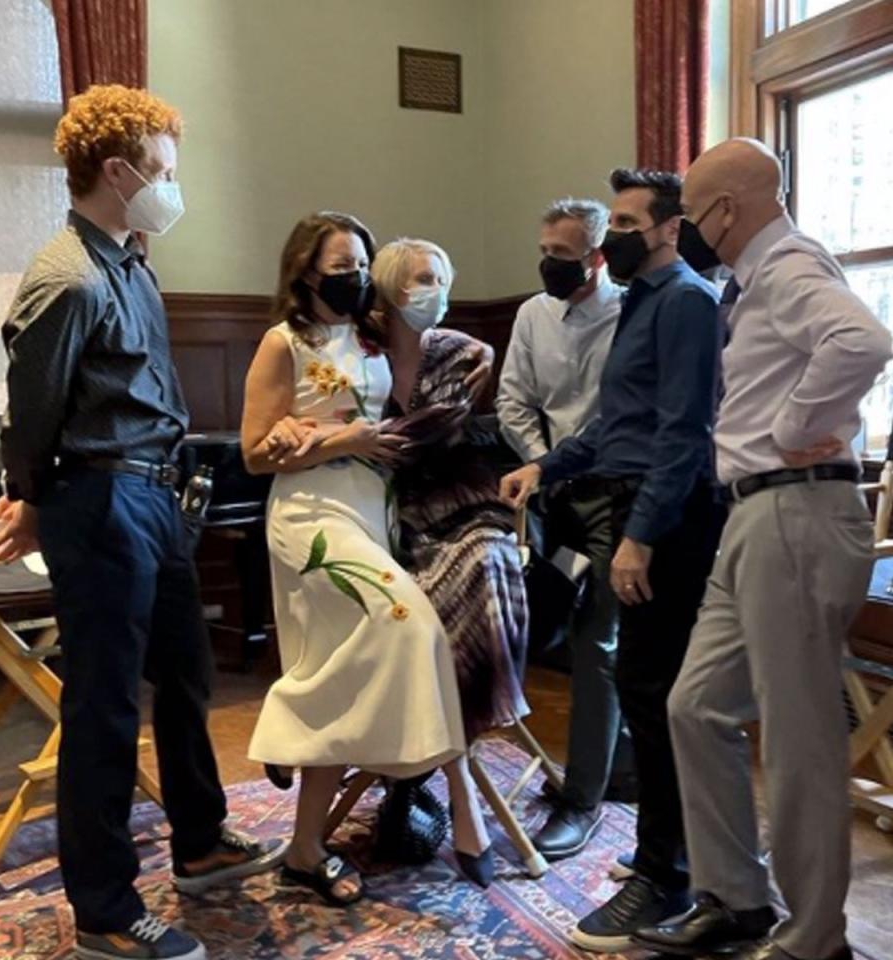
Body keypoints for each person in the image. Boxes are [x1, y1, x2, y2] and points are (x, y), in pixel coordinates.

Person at [0, 84, 283, 960]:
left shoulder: (128, 259)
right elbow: (32, 411)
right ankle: (106, 910)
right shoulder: (66, 278)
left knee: (185, 678)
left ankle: (197, 841)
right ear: (115, 172)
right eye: (161, 171)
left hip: (152, 497)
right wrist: (30, 500)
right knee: (107, 708)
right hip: (101, 501)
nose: (171, 186)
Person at [633, 139, 893, 960]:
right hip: (753, 515)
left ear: (727, 211)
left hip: (794, 515)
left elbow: (863, 342)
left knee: (798, 738)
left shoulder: (786, 266)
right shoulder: (755, 281)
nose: (688, 232)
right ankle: (737, 899)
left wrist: (791, 430)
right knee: (695, 705)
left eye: (692, 215)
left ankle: (815, 940)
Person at [241, 212, 497, 900]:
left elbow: (436, 360)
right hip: (312, 518)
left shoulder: (372, 337)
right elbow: (255, 452)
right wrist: (338, 440)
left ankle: (302, 845)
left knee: (343, 670)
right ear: (305, 272)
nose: (354, 277)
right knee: (410, 625)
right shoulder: (283, 342)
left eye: (362, 263)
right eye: (339, 266)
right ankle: (463, 793)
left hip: (372, 514)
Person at [500, 168, 723, 951]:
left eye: (628, 222)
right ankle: (665, 857)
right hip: (632, 499)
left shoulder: (689, 301)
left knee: (654, 692)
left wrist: (640, 535)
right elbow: (615, 424)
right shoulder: (644, 303)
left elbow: (682, 434)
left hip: (667, 517)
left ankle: (668, 879)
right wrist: (547, 466)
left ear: (666, 228)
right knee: (646, 690)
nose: (618, 235)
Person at [496, 198, 638, 863]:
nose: (550, 264)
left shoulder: (633, 312)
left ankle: (582, 799)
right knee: (548, 626)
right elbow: (513, 398)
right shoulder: (532, 315)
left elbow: (621, 417)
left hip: (615, 498)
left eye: (565, 255)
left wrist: (566, 460)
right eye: (545, 250)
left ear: (599, 256)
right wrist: (543, 466)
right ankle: (614, 760)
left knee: (598, 646)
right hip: (555, 498)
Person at [371, 237, 530, 743]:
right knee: (387, 596)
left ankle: (455, 721)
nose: (437, 293)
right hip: (391, 511)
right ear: (392, 287)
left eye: (443, 281)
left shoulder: (461, 351)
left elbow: (447, 427)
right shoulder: (362, 357)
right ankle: (407, 738)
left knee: (484, 559)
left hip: (462, 504)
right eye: (425, 279)